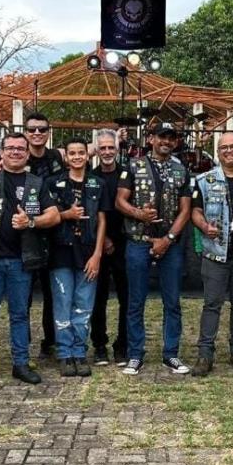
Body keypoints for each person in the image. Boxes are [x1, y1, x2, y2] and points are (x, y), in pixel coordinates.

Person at [0, 132, 61, 387]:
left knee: (20, 314)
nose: (15, 152)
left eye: (20, 148)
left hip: (23, 260)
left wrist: (30, 221)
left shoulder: (36, 182)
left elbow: (54, 216)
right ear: (1, 152)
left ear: (28, 153)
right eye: (10, 148)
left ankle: (20, 364)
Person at [115, 121, 192, 376]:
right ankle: (135, 354)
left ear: (176, 142)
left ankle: (171, 354)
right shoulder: (133, 166)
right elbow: (120, 201)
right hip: (138, 241)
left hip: (170, 244)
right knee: (135, 301)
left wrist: (168, 239)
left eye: (171, 138)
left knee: (172, 302)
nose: (166, 142)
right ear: (151, 139)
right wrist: (140, 214)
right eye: (162, 137)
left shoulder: (182, 170)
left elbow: (185, 210)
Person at [189, 132, 233, 376]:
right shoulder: (203, 180)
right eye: (224, 148)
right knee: (211, 304)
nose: (229, 151)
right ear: (217, 152)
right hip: (215, 252)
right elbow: (195, 211)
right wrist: (204, 226)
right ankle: (205, 354)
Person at [46, 138, 107, 377]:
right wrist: (66, 214)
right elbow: (47, 216)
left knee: (84, 305)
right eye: (72, 153)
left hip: (88, 252)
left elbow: (102, 220)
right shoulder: (53, 183)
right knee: (62, 304)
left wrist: (98, 254)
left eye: (81, 153)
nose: (77, 157)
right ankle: (64, 354)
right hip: (61, 251)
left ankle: (80, 352)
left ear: (88, 156)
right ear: (66, 157)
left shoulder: (98, 184)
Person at [90, 129, 129, 365]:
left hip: (125, 243)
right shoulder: (90, 176)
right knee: (98, 297)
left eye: (110, 147)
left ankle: (122, 345)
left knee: (127, 296)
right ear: (97, 149)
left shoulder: (128, 174)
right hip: (97, 244)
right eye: (102, 148)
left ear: (117, 148)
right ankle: (99, 345)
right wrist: (102, 240)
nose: (106, 152)